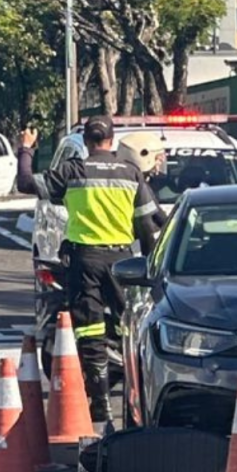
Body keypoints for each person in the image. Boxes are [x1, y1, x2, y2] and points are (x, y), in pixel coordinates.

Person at [17, 116, 159, 433]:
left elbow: (26, 183)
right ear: (111, 141)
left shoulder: (73, 171)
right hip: (123, 261)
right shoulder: (130, 172)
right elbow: (148, 225)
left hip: (85, 261)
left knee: (89, 330)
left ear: (86, 141)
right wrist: (152, 266)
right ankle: (138, 391)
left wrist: (25, 149)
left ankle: (100, 402)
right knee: (131, 327)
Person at [116, 131, 167, 233]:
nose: (160, 162)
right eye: (157, 158)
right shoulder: (139, 185)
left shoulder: (117, 181)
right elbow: (159, 219)